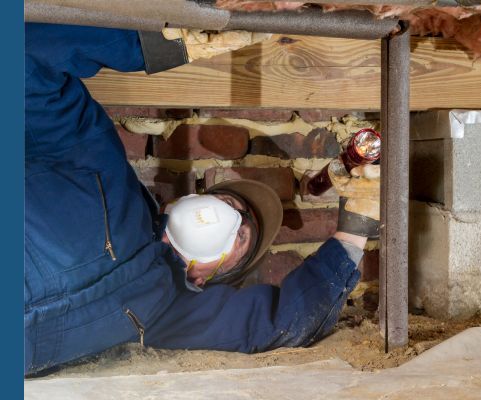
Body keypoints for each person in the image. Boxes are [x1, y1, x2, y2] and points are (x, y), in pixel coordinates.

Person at [24, 23, 381, 375]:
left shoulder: (173, 312)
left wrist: (356, 226)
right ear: (174, 206)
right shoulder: (101, 166)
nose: (234, 215)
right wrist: (165, 43)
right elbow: (24, 57)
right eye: (230, 203)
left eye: (242, 234)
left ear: (207, 279)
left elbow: (283, 322)